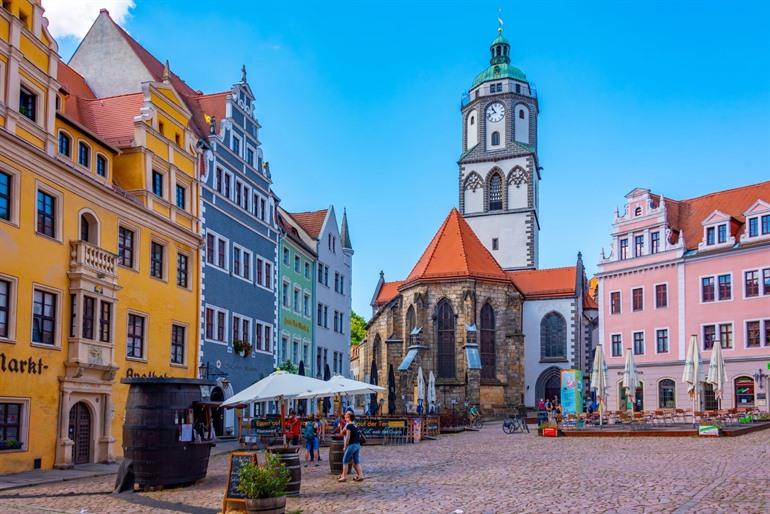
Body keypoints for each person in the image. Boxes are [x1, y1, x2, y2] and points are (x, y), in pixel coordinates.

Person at [338, 411, 364, 482]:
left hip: (352, 445)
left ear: (349, 418)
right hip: (357, 445)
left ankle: (344, 477)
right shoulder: (355, 425)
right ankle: (360, 475)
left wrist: (345, 446)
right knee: (356, 461)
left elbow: (348, 437)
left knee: (345, 460)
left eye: (346, 417)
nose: (345, 418)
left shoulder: (349, 426)